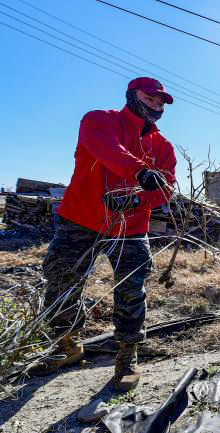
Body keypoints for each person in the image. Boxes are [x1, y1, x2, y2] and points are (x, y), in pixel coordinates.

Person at [30, 77, 177, 391]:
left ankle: (127, 356)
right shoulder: (98, 121)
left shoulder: (163, 147)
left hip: (131, 229)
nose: (157, 104)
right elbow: (109, 150)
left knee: (130, 289)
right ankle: (67, 345)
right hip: (80, 220)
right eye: (150, 97)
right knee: (62, 281)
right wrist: (139, 172)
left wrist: (138, 199)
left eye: (161, 101)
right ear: (131, 95)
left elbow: (165, 189)